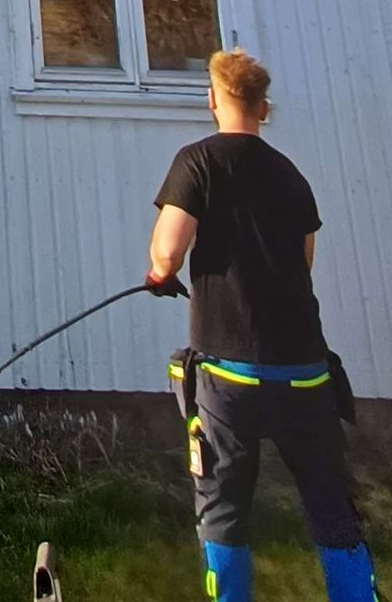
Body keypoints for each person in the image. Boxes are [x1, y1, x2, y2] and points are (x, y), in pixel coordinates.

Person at [147, 50, 379, 602]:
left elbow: (168, 250)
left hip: (231, 376)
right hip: (308, 373)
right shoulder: (291, 175)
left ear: (213, 100)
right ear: (264, 107)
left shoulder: (197, 162)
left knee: (224, 507)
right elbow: (303, 261)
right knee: (330, 506)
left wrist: (159, 273)